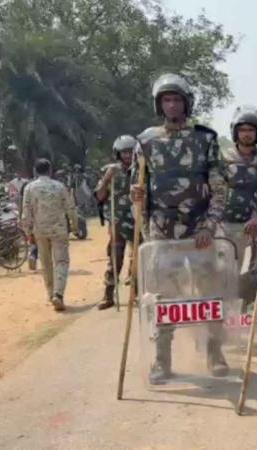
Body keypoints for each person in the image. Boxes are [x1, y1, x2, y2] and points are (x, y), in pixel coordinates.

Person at [130, 72, 228, 384]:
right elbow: (138, 192)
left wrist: (209, 227)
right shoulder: (145, 142)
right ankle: (162, 359)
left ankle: (214, 353)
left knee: (209, 294)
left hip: (200, 231)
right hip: (162, 233)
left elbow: (219, 188)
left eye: (177, 99)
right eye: (166, 100)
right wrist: (137, 200)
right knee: (164, 298)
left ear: (187, 103)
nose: (172, 105)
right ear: (159, 105)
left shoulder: (205, 139)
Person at [215, 104, 257, 341]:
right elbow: (214, 191)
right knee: (226, 276)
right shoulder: (222, 160)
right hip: (228, 226)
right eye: (242, 130)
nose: (247, 134)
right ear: (235, 132)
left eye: (251, 130)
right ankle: (225, 326)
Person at [21, 159, 78, 311]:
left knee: (46, 264)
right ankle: (58, 294)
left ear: (35, 171)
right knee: (61, 262)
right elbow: (70, 208)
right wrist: (75, 225)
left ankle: (50, 293)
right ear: (50, 170)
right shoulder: (60, 187)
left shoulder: (29, 188)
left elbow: (26, 212)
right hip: (59, 230)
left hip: (40, 231)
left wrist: (28, 232)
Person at [94, 135, 136, 310]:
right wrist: (106, 178)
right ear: (118, 153)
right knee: (114, 258)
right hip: (117, 221)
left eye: (130, 152)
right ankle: (108, 295)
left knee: (139, 256)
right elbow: (100, 196)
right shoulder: (110, 170)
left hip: (138, 219)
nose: (127, 155)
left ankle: (137, 291)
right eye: (124, 152)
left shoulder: (142, 169)